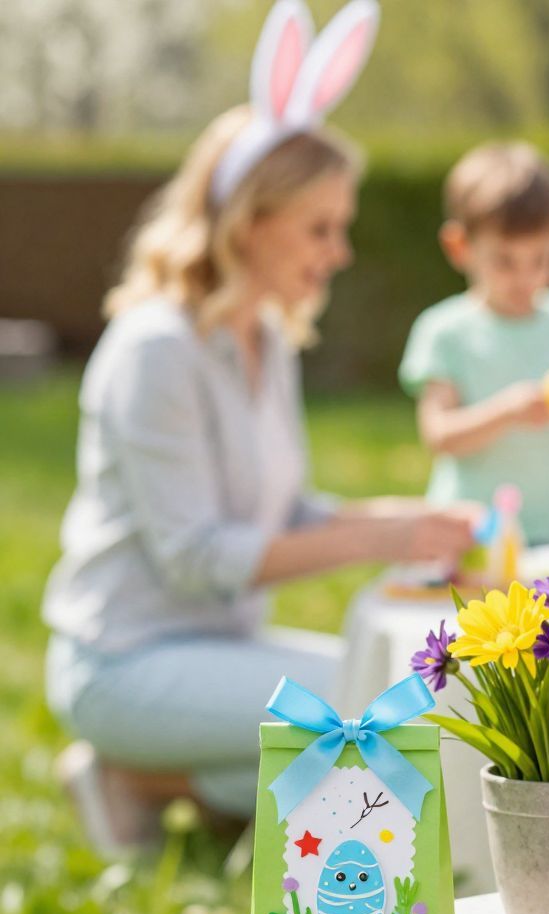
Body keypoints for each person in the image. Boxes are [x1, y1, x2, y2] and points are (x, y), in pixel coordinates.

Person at [42, 0, 472, 834]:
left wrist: (406, 522)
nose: (339, 252)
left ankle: (147, 783)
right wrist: (380, 539)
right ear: (249, 223)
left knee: (407, 697)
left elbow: (287, 512)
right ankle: (138, 770)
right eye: (320, 228)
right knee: (369, 715)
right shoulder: (156, 350)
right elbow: (199, 559)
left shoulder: (264, 338)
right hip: (125, 662)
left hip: (220, 648)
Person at [401, 141, 549, 545]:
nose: (525, 278)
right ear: (460, 247)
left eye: (542, 259)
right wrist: (507, 411)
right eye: (504, 261)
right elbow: (439, 436)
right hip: (475, 536)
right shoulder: (444, 331)